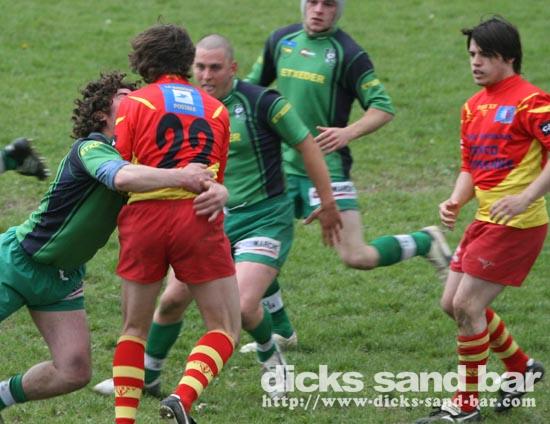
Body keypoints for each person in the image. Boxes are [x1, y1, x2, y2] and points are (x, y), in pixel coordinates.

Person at [93, 33, 342, 402]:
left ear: (233, 68)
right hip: (206, 215)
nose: (207, 75)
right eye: (201, 67)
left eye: (215, 67)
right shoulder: (185, 106)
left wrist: (328, 201)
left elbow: (306, 145)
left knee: (241, 305)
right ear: (189, 66)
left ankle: (272, 358)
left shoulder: (260, 102)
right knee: (171, 301)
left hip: (263, 217)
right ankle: (148, 375)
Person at [0, 71, 216, 422]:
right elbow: (121, 177)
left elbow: (192, 180)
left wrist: (217, 189)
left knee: (74, 371)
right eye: (124, 96)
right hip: (18, 263)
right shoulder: (92, 148)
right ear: (102, 114)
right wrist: (182, 176)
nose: (136, 100)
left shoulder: (142, 157)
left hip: (63, 280)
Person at [244, 0, 452, 349]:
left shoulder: (349, 54)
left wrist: (347, 132)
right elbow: (251, 90)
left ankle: (425, 241)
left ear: (338, 10)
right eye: (312, 2)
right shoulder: (280, 41)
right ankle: (283, 332)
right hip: (279, 168)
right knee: (253, 247)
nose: (318, 10)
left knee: (356, 256)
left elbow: (383, 107)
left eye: (328, 4)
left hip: (328, 168)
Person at [415, 16, 549, 423]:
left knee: (467, 304)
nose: (475, 62)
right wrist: (456, 200)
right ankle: (521, 368)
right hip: (485, 219)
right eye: (472, 54)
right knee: (451, 304)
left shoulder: (532, 101)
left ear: (507, 57)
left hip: (518, 225)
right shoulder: (472, 107)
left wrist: (526, 197)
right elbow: (470, 167)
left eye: (484, 55)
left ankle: (465, 405)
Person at [111, 25, 240, 424]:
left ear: (144, 61)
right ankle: (182, 397)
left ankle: (124, 421)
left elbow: (118, 168)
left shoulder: (134, 104)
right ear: (187, 61)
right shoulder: (216, 109)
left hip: (144, 220)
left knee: (133, 329)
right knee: (224, 327)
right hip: (196, 217)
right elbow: (215, 181)